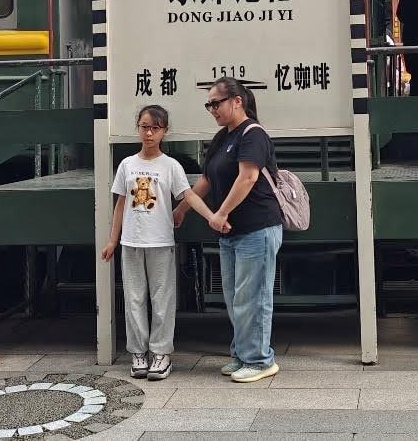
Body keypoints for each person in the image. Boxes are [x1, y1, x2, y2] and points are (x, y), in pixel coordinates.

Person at [173, 77, 283, 384]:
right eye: (209, 104)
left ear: (237, 101)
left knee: (254, 297)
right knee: (236, 297)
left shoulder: (253, 134)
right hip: (230, 232)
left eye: (216, 103)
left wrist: (221, 213)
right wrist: (183, 208)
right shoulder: (223, 138)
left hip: (257, 228)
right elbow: (207, 179)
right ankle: (242, 355)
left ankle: (260, 360)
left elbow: (247, 178)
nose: (212, 109)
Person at [100, 105, 221, 381]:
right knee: (133, 299)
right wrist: (112, 240)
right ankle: (138, 352)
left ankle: (161, 353)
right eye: (144, 126)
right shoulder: (127, 165)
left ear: (165, 131)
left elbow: (187, 196)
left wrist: (212, 216)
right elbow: (120, 204)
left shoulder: (171, 166)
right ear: (137, 128)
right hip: (131, 243)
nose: (149, 132)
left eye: (155, 127)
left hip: (161, 242)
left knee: (162, 299)